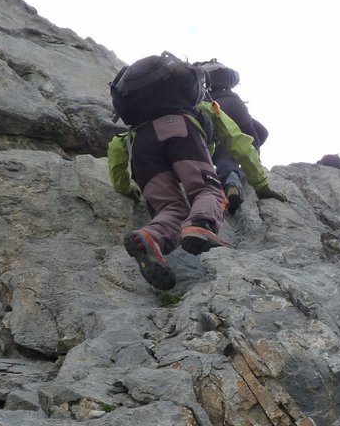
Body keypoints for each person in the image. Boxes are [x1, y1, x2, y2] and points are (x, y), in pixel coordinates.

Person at [108, 53, 287, 291]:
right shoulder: (200, 106)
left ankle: (151, 236)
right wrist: (261, 185)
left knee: (171, 208)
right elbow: (238, 141)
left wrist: (124, 187)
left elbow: (115, 150)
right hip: (182, 133)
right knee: (208, 191)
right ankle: (200, 225)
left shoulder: (133, 129)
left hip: (141, 148)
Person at [193, 59, 269, 214]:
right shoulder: (223, 69)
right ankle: (253, 170)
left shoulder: (199, 74)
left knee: (222, 146)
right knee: (256, 136)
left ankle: (231, 181)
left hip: (213, 104)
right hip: (234, 101)